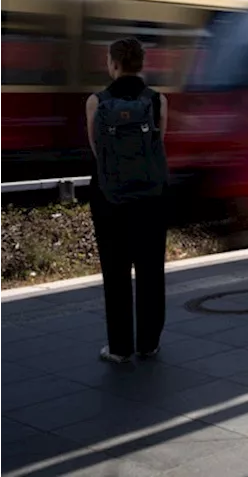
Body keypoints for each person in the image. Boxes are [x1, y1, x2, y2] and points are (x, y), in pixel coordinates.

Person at [85, 37, 169, 364]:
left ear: (113, 64)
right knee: (151, 271)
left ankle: (119, 348)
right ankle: (149, 343)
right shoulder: (158, 101)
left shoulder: (95, 102)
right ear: (141, 64)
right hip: (151, 198)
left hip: (110, 199)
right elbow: (159, 147)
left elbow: (97, 151)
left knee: (115, 273)